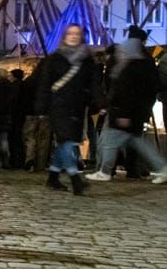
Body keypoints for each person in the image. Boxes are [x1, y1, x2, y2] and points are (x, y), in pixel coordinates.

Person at [87, 26, 167, 184]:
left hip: (123, 108)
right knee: (134, 140)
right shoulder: (145, 60)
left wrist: (121, 110)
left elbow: (122, 87)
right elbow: (152, 87)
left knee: (112, 139)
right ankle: (160, 167)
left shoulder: (127, 60)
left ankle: (104, 170)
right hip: (135, 109)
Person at [36, 24, 96, 195]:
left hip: (78, 106)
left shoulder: (87, 59)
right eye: (70, 33)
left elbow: (93, 83)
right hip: (58, 105)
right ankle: (75, 178)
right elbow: (45, 83)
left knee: (64, 143)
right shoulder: (55, 59)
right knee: (67, 141)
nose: (73, 36)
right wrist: (41, 106)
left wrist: (98, 102)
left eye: (77, 33)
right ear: (64, 36)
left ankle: (53, 177)